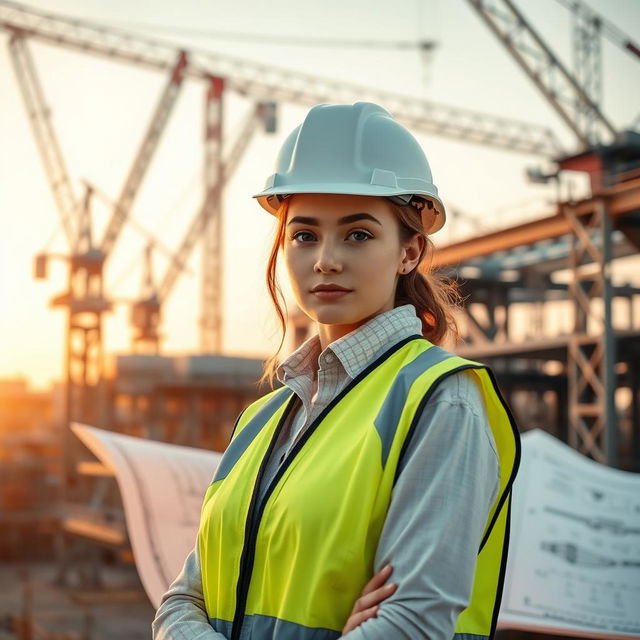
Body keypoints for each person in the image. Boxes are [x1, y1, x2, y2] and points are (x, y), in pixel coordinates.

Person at [152, 101, 521, 640]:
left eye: (358, 234)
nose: (325, 259)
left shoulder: (440, 402)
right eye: (304, 235)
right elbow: (181, 602)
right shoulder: (263, 418)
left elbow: (411, 624)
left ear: (409, 251)